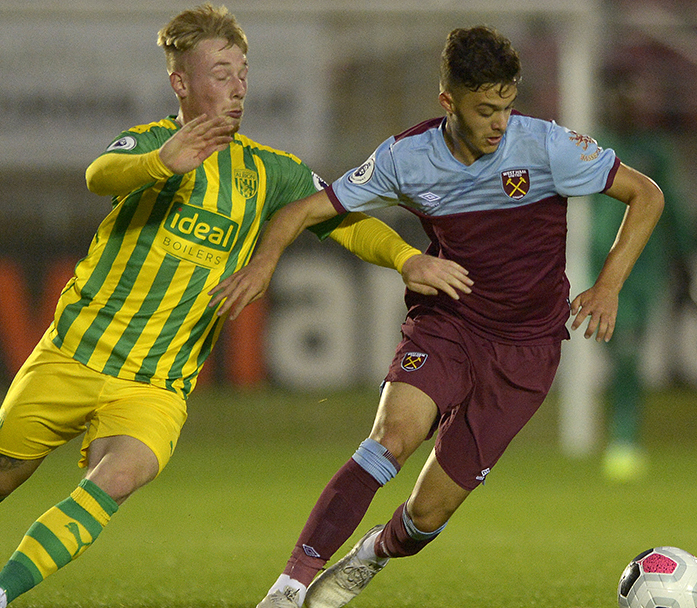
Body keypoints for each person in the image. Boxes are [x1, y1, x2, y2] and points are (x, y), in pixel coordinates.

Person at [0, 5, 471, 608]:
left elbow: (346, 223)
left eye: (242, 72)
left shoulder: (270, 172)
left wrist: (405, 258)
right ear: (181, 82)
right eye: (220, 72)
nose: (237, 86)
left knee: (119, 476)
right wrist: (159, 165)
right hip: (74, 353)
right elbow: (99, 174)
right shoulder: (154, 143)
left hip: (159, 380)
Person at [211, 25, 665, 608]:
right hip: (449, 324)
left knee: (426, 515)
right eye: (484, 109)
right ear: (448, 101)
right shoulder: (407, 157)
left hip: (527, 350)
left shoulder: (547, 145)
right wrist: (262, 267)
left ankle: (373, 553)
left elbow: (645, 193)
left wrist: (608, 285)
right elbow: (299, 211)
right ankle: (288, 587)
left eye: (506, 105)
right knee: (389, 440)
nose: (500, 122)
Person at [591, 66, 697, 482]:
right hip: (593, 267)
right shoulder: (593, 145)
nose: (624, 103)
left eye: (630, 94)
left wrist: (685, 262)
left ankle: (623, 439)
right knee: (616, 355)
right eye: (618, 94)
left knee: (628, 352)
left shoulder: (656, 150)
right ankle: (618, 433)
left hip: (642, 270)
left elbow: (675, 211)